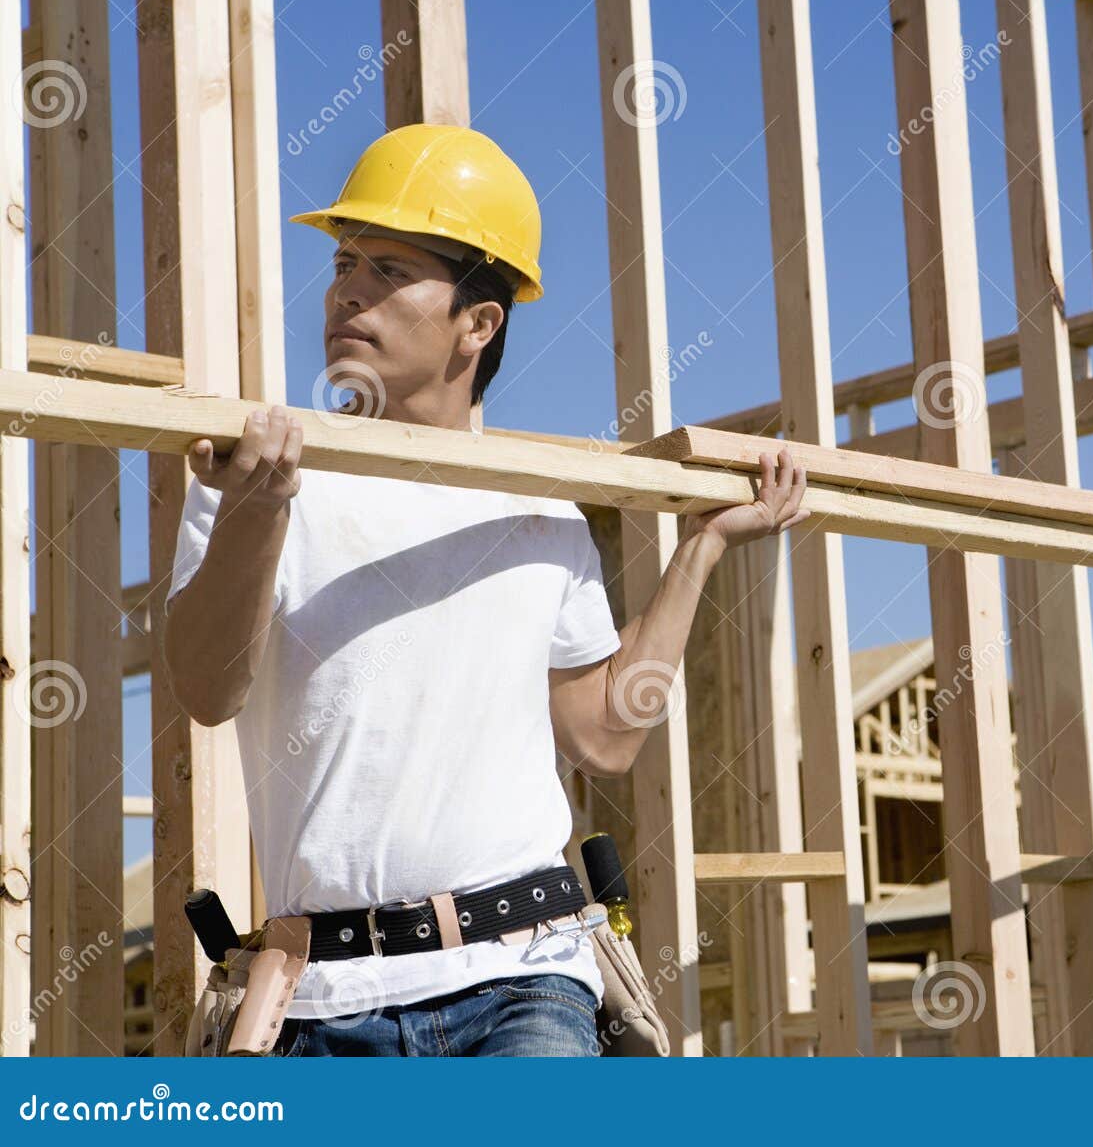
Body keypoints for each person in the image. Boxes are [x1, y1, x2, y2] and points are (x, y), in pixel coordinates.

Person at [162, 125, 810, 1056]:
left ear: (479, 323)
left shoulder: (538, 504)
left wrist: (700, 550)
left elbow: (603, 736)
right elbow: (206, 690)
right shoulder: (258, 478)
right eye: (346, 262)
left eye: (390, 269)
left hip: (522, 976)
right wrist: (256, 515)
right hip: (321, 996)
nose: (349, 287)